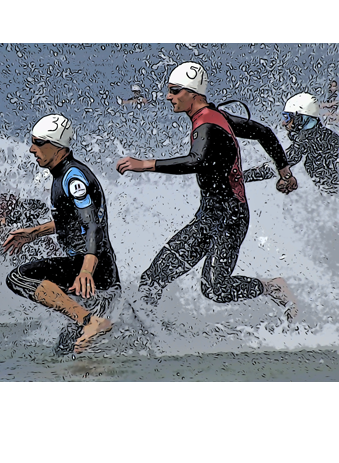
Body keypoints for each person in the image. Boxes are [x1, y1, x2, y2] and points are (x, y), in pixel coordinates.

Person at [116, 61, 299, 322]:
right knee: (153, 278)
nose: (169, 96)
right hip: (209, 216)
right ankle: (145, 334)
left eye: (175, 91)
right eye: (169, 90)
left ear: (194, 94)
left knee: (214, 288)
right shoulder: (216, 117)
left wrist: (146, 164)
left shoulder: (207, 125)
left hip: (230, 219)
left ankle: (272, 287)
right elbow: (264, 132)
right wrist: (284, 171)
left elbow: (197, 160)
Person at [1, 114, 120, 355]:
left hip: (92, 269)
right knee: (67, 352)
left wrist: (86, 270)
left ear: (58, 147)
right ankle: (91, 324)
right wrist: (34, 233)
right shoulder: (62, 174)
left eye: (39, 143)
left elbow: (92, 225)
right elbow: (70, 221)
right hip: (100, 274)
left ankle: (90, 321)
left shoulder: (73, 177)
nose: (32, 149)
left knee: (18, 278)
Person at [245, 92, 339, 195]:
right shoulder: (323, 134)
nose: (283, 123)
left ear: (300, 118)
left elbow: (280, 163)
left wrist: (240, 177)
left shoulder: (307, 139)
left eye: (287, 117)